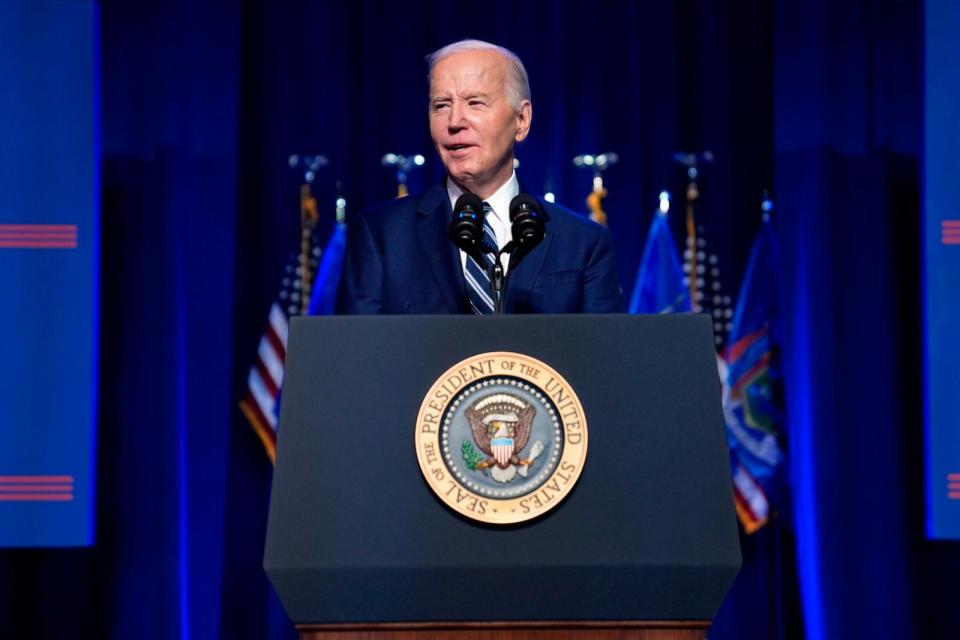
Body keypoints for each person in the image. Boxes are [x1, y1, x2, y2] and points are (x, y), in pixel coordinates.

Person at [335, 39, 623, 314]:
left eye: (475, 103)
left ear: (521, 121)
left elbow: (602, 359)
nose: (455, 122)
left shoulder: (583, 243)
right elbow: (356, 357)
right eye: (441, 105)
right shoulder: (381, 236)